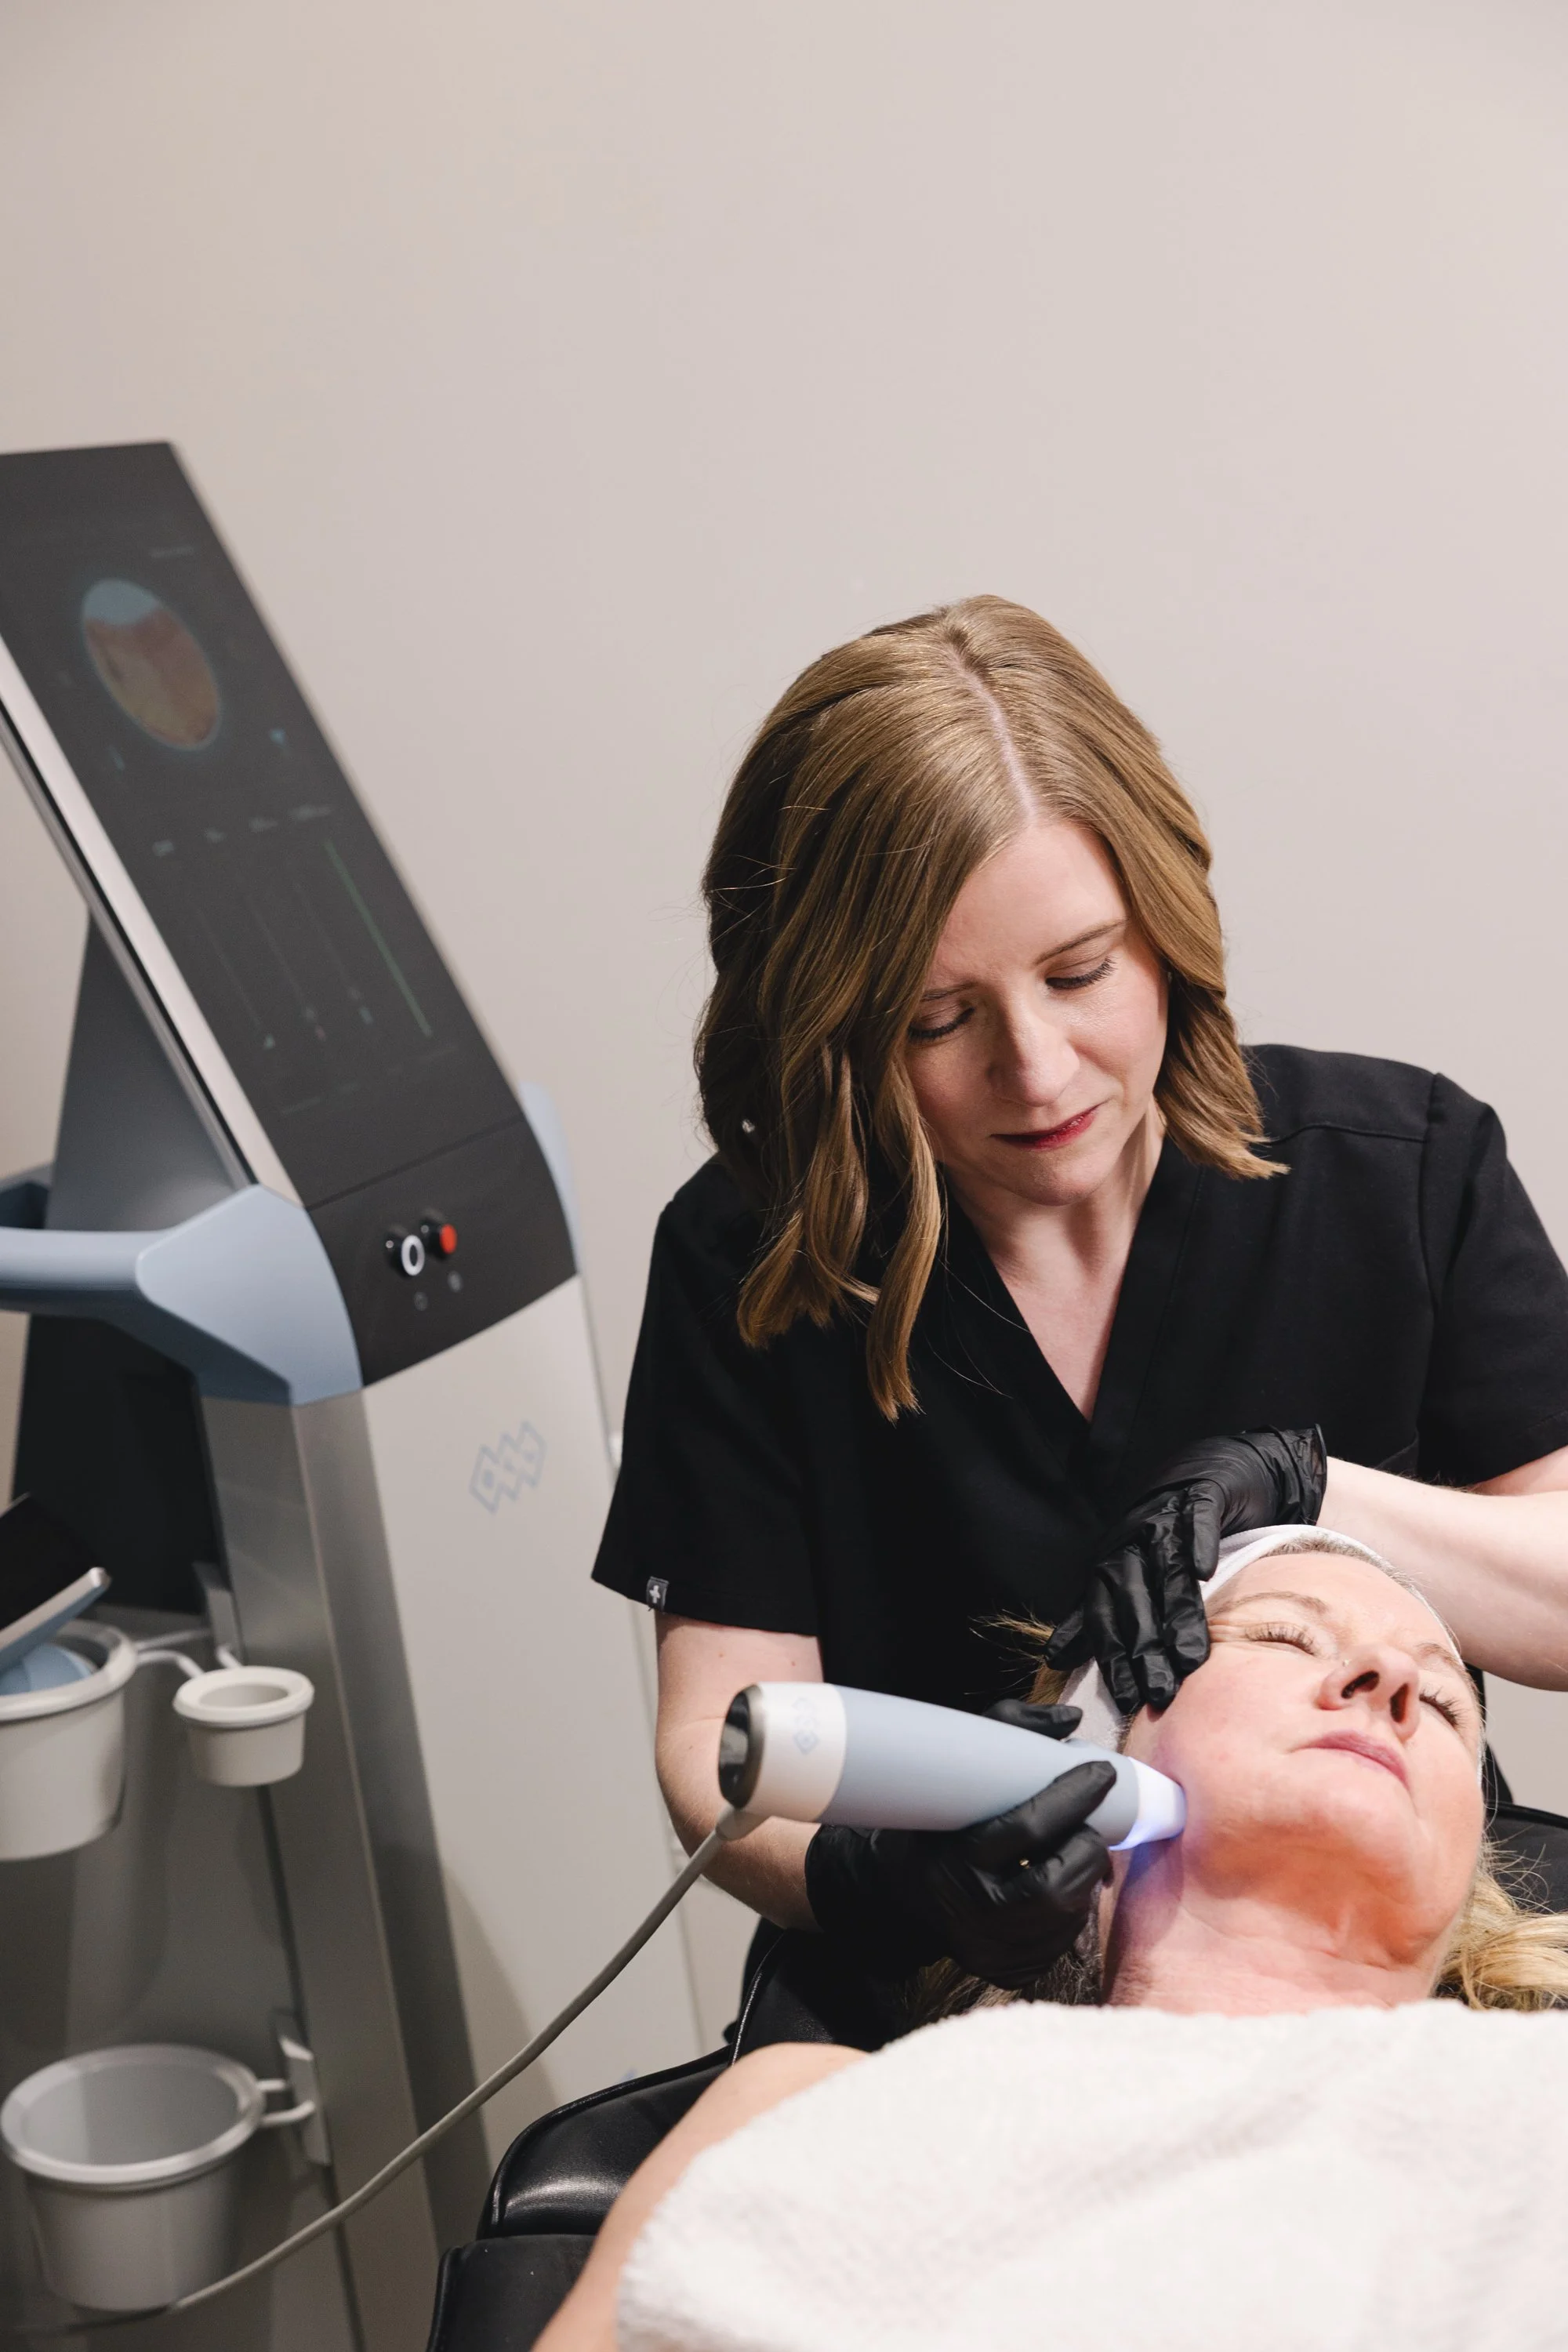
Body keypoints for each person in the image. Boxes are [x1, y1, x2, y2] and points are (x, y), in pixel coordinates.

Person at [593, 595, 1568, 2013]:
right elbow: (718, 1747)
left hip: (1385, 1968)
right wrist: (890, 1879)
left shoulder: (1399, 1177)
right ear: (839, 1024)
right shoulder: (761, 1264)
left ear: (1167, 926)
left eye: (1079, 973)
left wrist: (1307, 1500)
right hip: (939, 1980)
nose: (1039, 1071)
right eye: (938, 1019)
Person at [543, 1533, 1568, 2352]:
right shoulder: (798, 2104)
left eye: (1442, 1703)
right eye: (1285, 1637)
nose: (1390, 1675)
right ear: (1099, 1759)